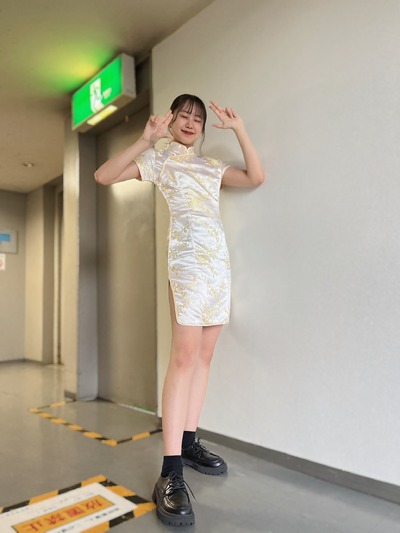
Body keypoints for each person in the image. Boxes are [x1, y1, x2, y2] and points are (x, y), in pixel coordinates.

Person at [95, 94, 264, 527]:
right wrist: (144, 139)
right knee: (184, 358)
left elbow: (255, 177)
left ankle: (188, 442)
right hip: (186, 264)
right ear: (170, 121)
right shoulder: (159, 159)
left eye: (197, 118)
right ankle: (170, 471)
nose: (190, 122)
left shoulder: (209, 166)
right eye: (183, 115)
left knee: (205, 357)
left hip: (218, 266)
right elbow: (103, 175)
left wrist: (240, 129)